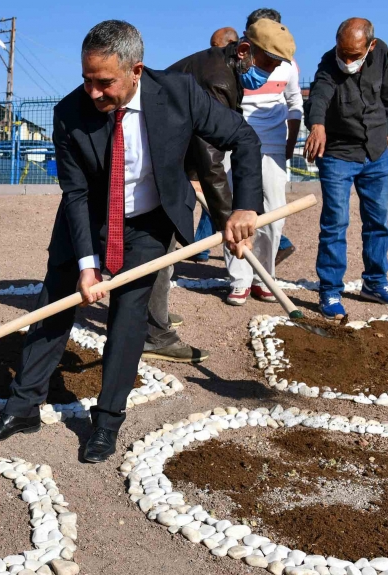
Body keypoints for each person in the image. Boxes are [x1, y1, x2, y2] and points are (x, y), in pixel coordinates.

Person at [0, 20, 263, 462]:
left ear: (136, 71)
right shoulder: (70, 112)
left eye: (104, 82)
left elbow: (243, 137)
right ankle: (24, 406)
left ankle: (106, 422)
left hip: (149, 220)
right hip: (86, 216)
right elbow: (76, 193)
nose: (93, 92)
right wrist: (87, 265)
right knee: (56, 301)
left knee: (128, 312)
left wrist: (243, 207)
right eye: (87, 79)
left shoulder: (179, 93)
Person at [143, 18, 293, 360]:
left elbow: (232, 141)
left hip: (168, 158)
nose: (269, 74)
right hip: (152, 162)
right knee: (159, 246)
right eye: (267, 63)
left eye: (276, 67)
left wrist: (240, 210)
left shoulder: (228, 70)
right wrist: (232, 224)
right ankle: (153, 331)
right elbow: (212, 162)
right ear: (244, 51)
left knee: (163, 246)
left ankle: (154, 314)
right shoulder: (217, 79)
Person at [305, 18, 388, 319]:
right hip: (337, 153)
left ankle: (374, 283)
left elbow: (387, 96)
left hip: (375, 151)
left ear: (370, 45)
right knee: (335, 223)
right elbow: (319, 94)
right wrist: (317, 125)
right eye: (342, 53)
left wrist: (383, 129)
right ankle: (330, 291)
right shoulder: (328, 62)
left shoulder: (381, 52)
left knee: (378, 221)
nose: (347, 60)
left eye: (354, 55)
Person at [225, 8, 304, 305]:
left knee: (272, 217)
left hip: (271, 145)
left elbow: (295, 102)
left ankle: (263, 277)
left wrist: (290, 143)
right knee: (234, 212)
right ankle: (239, 279)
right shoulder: (234, 61)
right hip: (233, 143)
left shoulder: (288, 64)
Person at [191, 25, 240, 263]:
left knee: (218, 193)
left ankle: (200, 245)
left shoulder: (226, 75)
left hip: (218, 151)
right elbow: (203, 140)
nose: (209, 51)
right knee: (215, 193)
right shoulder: (215, 76)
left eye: (214, 46)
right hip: (201, 153)